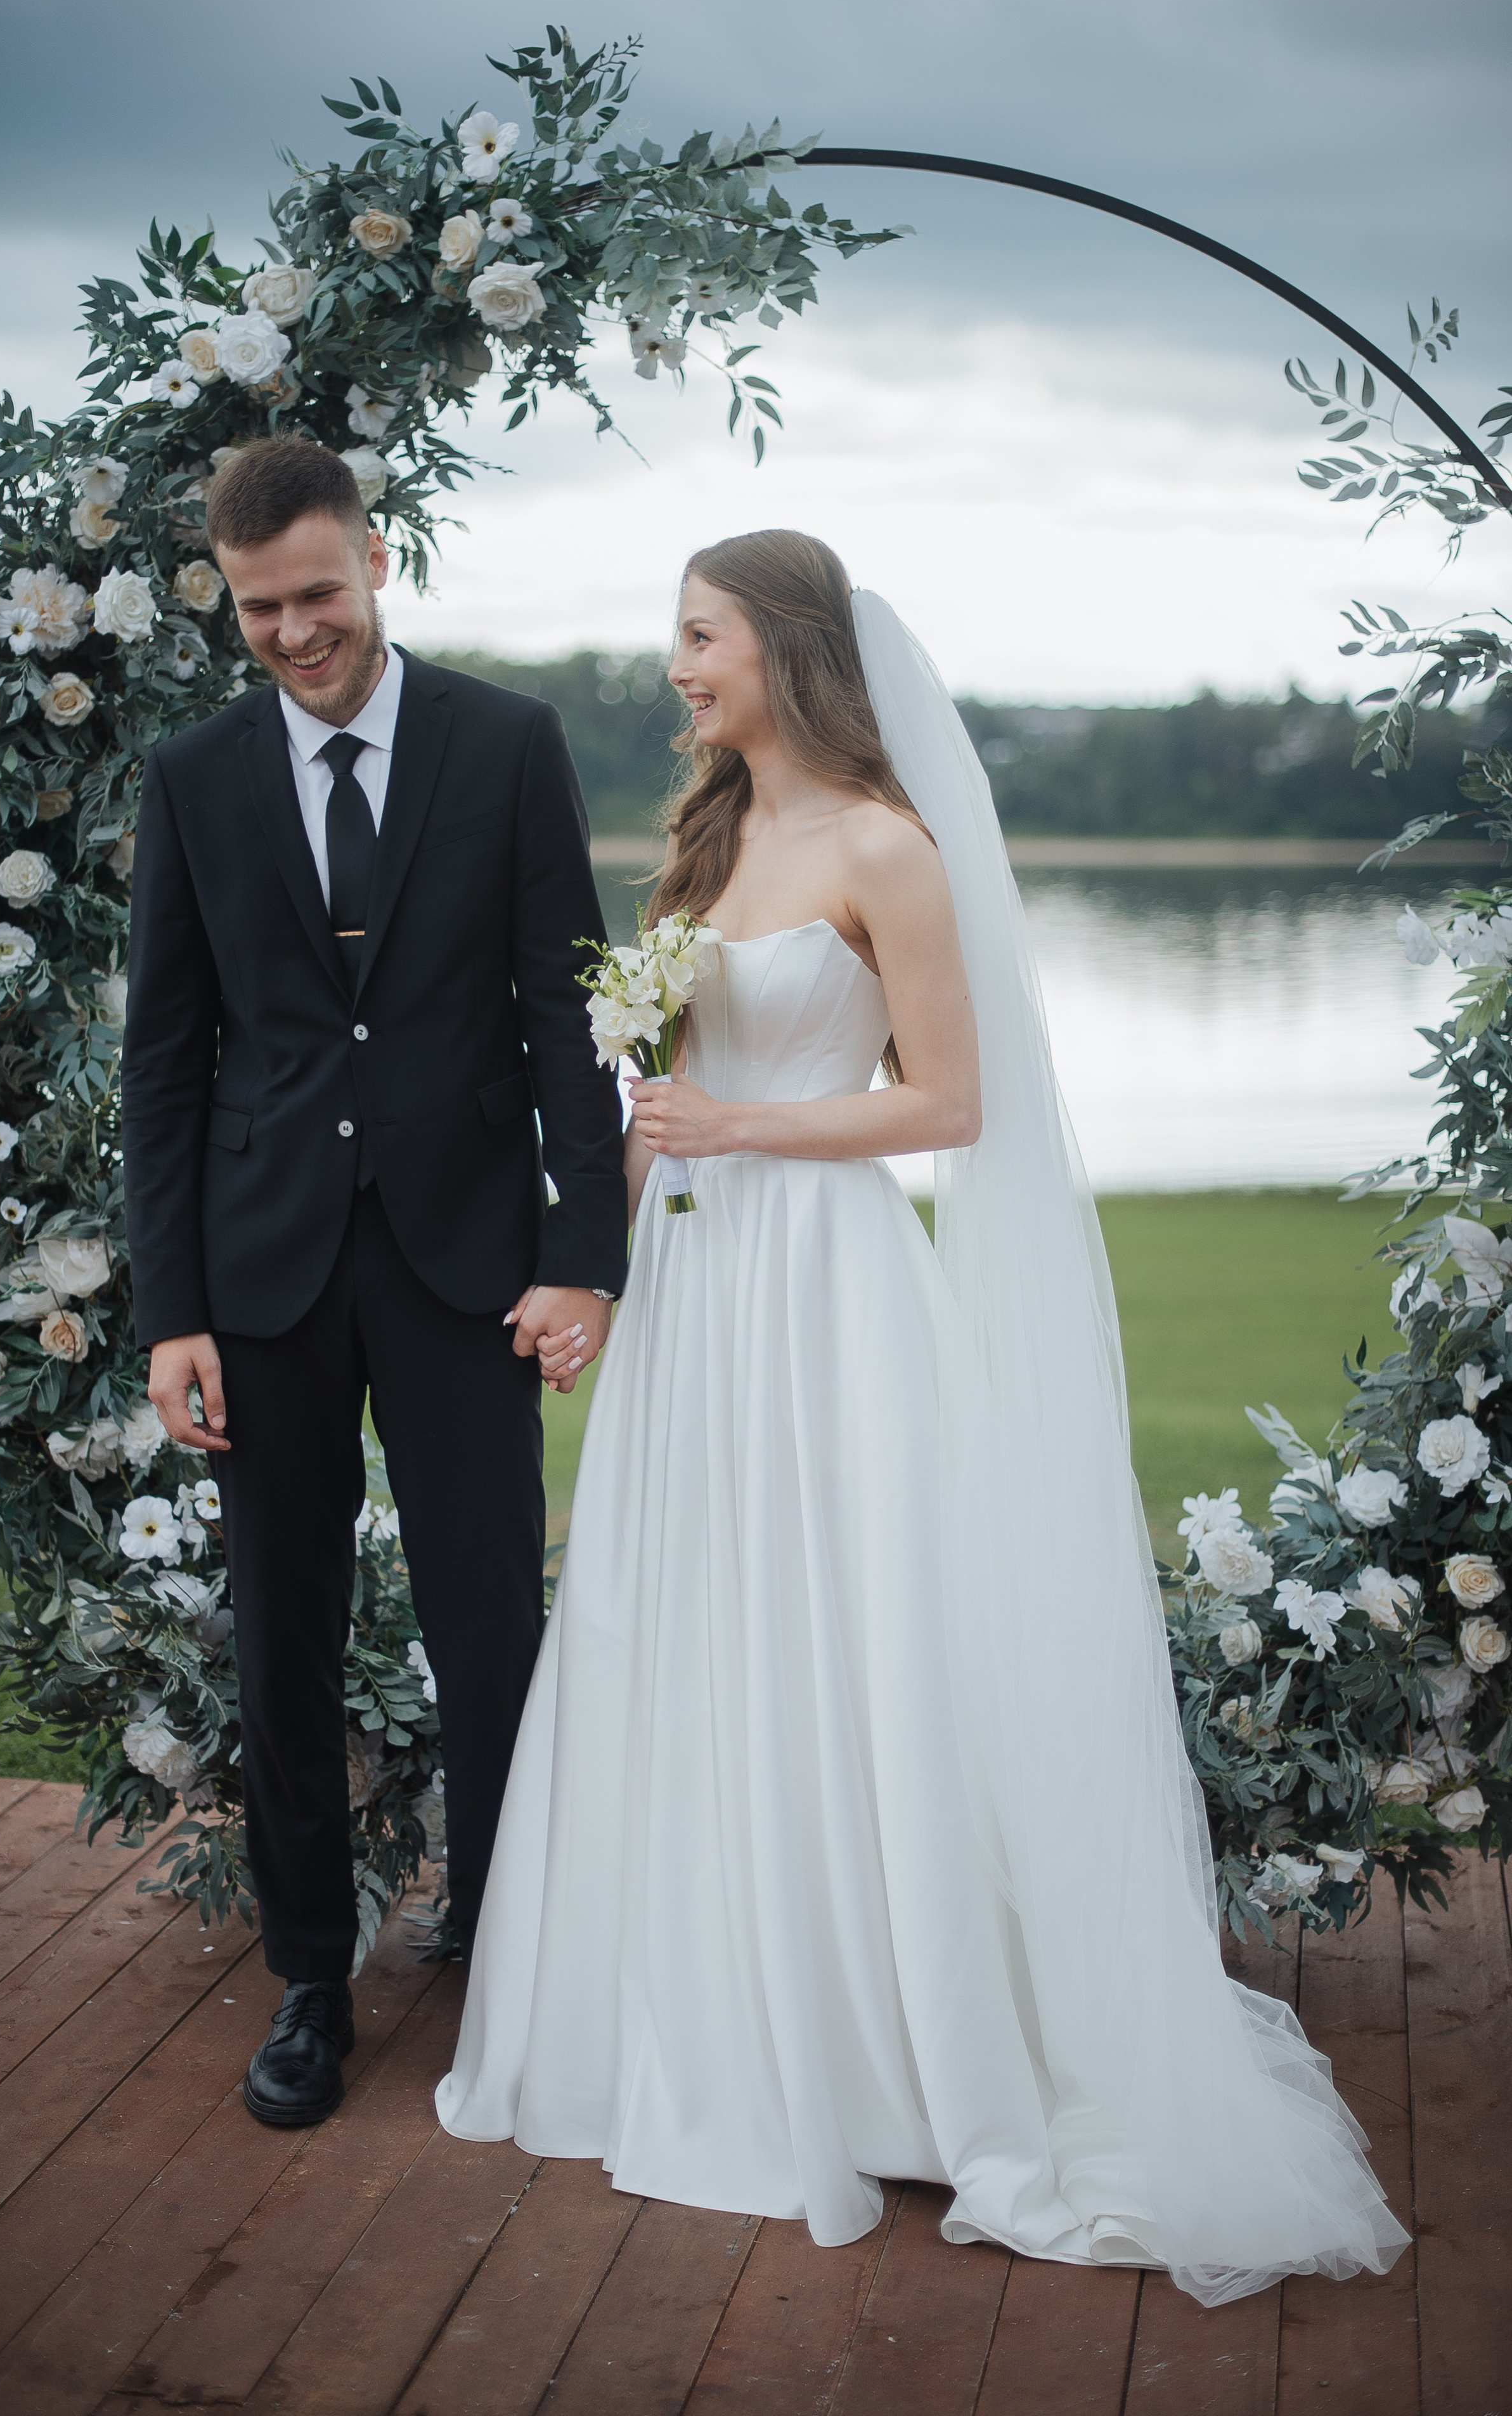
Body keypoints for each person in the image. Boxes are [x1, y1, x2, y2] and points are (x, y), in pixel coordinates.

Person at [434, 529, 1409, 2306]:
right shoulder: (713, 843)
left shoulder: (891, 847)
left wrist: (745, 1126)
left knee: (850, 1636)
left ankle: (897, 2048)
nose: (678, 668)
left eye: (701, 635)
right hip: (704, 1295)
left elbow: (950, 1101)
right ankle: (706, 2005)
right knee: (693, 1631)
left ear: (786, 648)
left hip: (830, 1292)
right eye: (676, 639)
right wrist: (612, 1254)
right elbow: (657, 1106)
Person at [121, 434, 626, 2129]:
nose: (292, 632)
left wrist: (582, 1258)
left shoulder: (507, 744)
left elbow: (569, 1014)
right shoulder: (192, 776)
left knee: (493, 1630)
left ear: (380, 562)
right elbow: (164, 1063)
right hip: (260, 1277)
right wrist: (168, 1307)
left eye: (317, 594)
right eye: (260, 607)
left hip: (466, 1263)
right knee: (285, 1642)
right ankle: (311, 1979)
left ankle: (507, 1951)